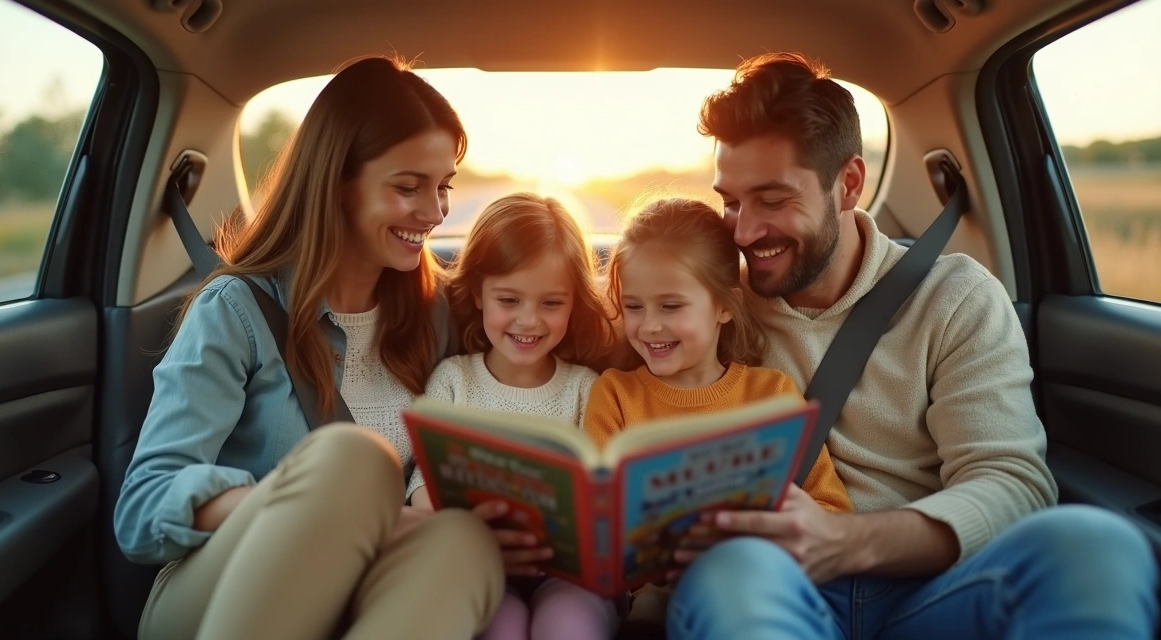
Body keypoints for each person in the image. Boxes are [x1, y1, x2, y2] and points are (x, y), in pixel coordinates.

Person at [664, 52, 1159, 639]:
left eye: (773, 201)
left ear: (848, 184)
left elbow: (1013, 484)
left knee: (1093, 544)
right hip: (768, 586)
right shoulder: (703, 307)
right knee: (733, 571)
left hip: (933, 591)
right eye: (731, 201)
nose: (744, 231)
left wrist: (844, 542)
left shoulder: (955, 297)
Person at [113, 56, 506, 640]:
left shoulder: (440, 312)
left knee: (464, 543)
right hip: (220, 593)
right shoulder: (236, 310)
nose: (435, 213)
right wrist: (312, 510)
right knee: (356, 463)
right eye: (408, 187)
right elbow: (144, 508)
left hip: (375, 591)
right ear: (338, 183)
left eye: (443, 187)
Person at [582, 197, 853, 626]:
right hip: (648, 592)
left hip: (749, 583)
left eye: (671, 307)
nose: (649, 325)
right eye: (634, 306)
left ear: (725, 306)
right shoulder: (614, 394)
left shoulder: (771, 396)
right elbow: (594, 520)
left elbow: (832, 511)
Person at [414, 192, 620, 639]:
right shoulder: (453, 381)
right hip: (481, 566)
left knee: (569, 625)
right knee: (499, 627)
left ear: (574, 303)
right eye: (509, 300)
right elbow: (422, 488)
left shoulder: (586, 388)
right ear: (478, 294)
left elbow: (605, 496)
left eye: (551, 304)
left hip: (569, 577)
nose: (529, 321)